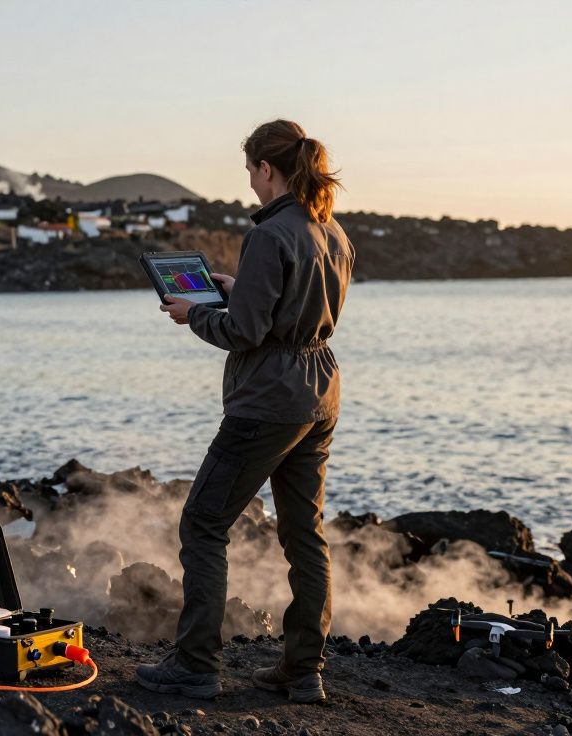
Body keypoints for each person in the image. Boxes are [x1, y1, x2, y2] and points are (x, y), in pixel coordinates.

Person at [135, 119, 355, 703]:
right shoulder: (332, 232)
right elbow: (292, 311)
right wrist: (238, 286)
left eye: (251, 175)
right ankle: (304, 670)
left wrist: (194, 314)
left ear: (266, 168)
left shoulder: (270, 234)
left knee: (204, 523)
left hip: (267, 400)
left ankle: (196, 665)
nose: (250, 187)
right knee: (305, 533)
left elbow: (245, 332)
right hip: (320, 391)